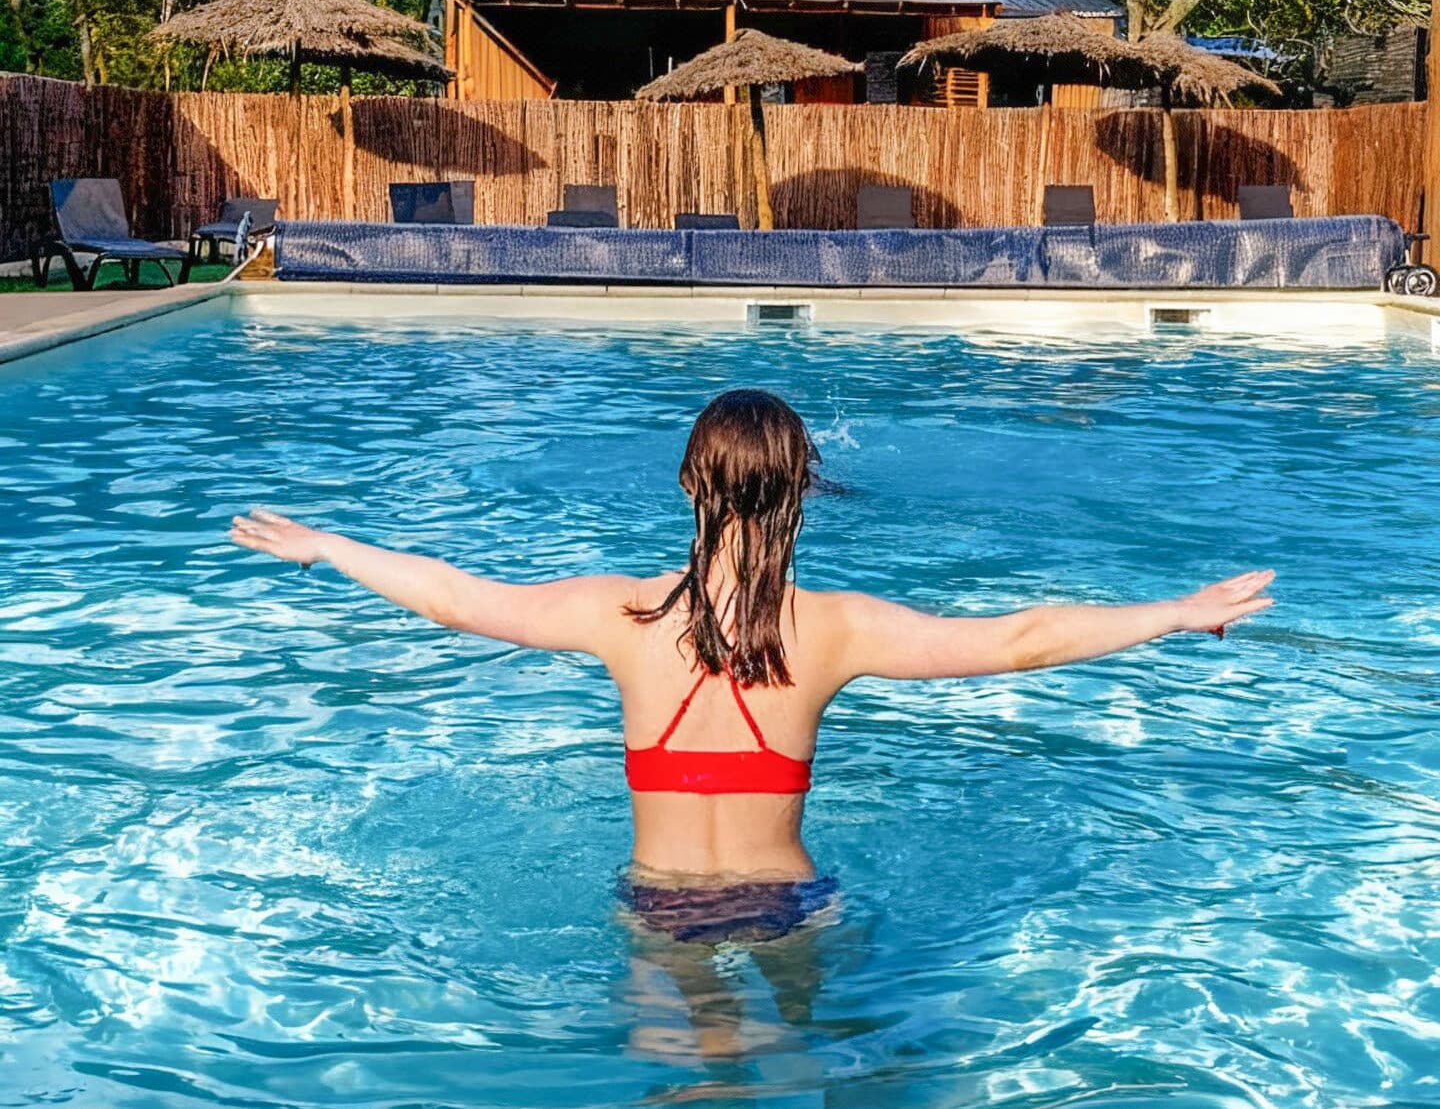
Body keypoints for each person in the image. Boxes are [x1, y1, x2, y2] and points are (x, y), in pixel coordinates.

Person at [230, 386, 1274, 943]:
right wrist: (1173, 614)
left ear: (692, 481)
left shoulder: (622, 617)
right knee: (812, 1064)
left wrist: (331, 545)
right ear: (806, 491)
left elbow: (459, 599)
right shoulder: (836, 629)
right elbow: (1018, 639)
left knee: (694, 1075)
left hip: (659, 902)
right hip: (790, 903)